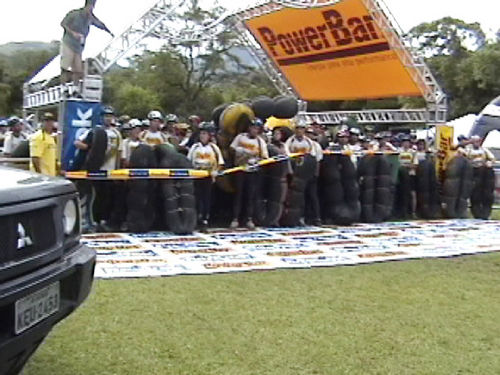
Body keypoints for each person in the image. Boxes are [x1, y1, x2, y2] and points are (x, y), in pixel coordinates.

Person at [60, 0, 114, 89]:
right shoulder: (74, 14)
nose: (91, 10)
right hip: (68, 43)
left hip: (79, 47)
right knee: (65, 67)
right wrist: (73, 33)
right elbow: (63, 23)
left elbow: (100, 24)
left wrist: (110, 32)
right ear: (86, 6)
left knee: (78, 69)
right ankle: (63, 87)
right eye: (90, 7)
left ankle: (75, 89)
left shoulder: (90, 18)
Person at [230, 119, 269, 229]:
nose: (254, 130)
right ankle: (235, 218)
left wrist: (256, 160)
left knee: (250, 195)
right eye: (252, 127)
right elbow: (232, 149)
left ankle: (249, 218)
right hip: (240, 169)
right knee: (238, 194)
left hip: (252, 171)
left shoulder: (260, 142)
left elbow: (265, 157)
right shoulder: (240, 137)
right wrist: (241, 151)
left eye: (256, 128)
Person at [188, 122, 225, 230]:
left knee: (206, 199)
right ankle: (196, 218)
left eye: (205, 133)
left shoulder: (214, 148)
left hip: (208, 178)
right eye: (201, 133)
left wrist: (216, 172)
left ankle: (205, 219)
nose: (202, 136)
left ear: (210, 135)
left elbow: (220, 163)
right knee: (197, 198)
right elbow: (189, 161)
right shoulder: (195, 147)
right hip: (196, 176)